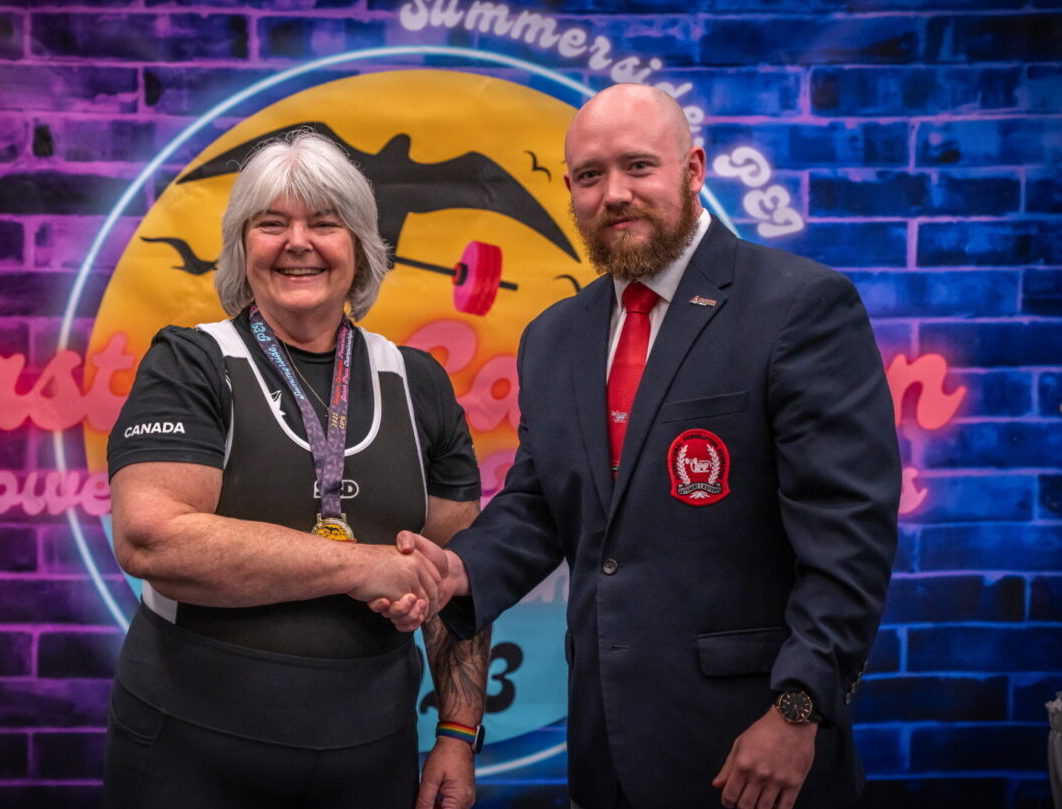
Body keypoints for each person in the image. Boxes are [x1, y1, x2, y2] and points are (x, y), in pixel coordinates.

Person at [378, 84, 901, 809]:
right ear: (569, 190)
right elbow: (538, 502)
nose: (614, 193)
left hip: (757, 746)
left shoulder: (799, 307)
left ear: (692, 169)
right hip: (606, 748)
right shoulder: (555, 336)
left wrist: (799, 709)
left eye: (638, 167)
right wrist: (457, 569)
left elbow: (850, 535)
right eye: (591, 176)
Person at [105, 130, 489, 809]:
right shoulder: (191, 363)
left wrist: (458, 733)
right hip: (191, 749)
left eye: (324, 223)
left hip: (370, 754)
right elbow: (151, 539)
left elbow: (459, 576)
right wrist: (362, 565)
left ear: (362, 247)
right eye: (271, 224)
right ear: (241, 247)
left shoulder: (418, 382)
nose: (298, 242)